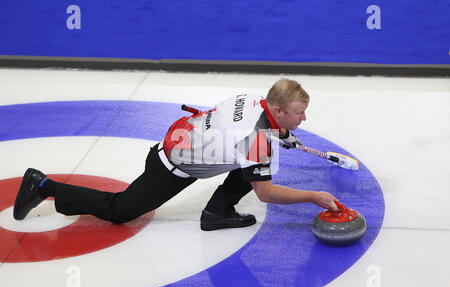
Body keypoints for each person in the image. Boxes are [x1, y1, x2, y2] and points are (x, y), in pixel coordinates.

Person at [13, 78, 338, 231]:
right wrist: (313, 196)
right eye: (299, 114)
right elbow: (265, 194)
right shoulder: (256, 140)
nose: (303, 120)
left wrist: (280, 132)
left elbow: (247, 132)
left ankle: (217, 213)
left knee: (255, 166)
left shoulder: (254, 100)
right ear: (278, 110)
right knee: (119, 211)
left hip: (182, 140)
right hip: (170, 167)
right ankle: (43, 186)